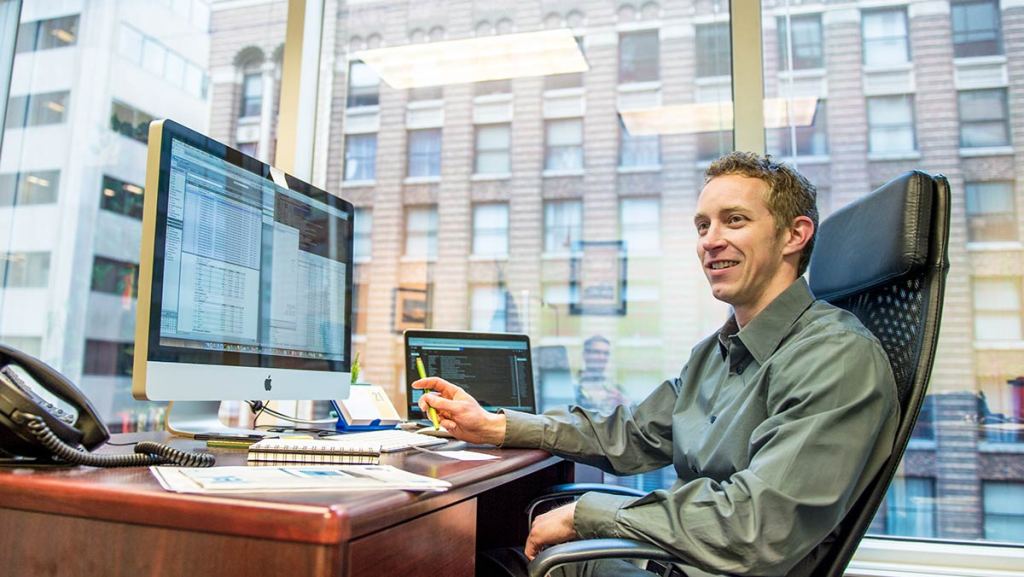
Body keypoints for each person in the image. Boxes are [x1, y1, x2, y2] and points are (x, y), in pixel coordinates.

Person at [414, 152, 899, 577]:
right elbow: (633, 434)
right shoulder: (717, 351)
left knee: (460, 559)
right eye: (702, 225)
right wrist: (497, 425)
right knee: (481, 554)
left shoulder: (835, 355)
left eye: (734, 220)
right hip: (675, 559)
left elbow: (755, 526)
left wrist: (587, 514)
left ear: (795, 235)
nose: (710, 240)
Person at [575, 334, 628, 412]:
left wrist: (623, 404)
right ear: (585, 355)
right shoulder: (573, 388)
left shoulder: (617, 389)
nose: (602, 357)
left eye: (606, 353)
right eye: (596, 352)